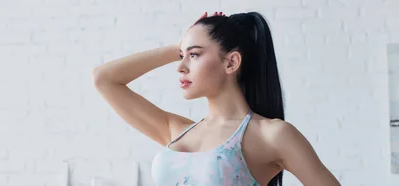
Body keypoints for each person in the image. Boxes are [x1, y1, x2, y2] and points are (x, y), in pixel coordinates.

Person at [91, 11, 341, 186]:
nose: (180, 67)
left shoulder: (272, 135)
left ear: (231, 62)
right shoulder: (177, 131)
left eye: (195, 55)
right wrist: (176, 47)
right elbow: (104, 79)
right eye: (182, 55)